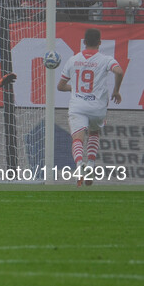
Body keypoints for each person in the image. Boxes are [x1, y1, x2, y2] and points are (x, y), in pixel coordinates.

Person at [57, 28, 123, 187]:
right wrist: (116, 91)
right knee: (94, 132)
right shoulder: (106, 59)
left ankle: (80, 165)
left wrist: (76, 88)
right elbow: (119, 72)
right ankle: (91, 166)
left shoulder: (73, 60)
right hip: (97, 107)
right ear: (100, 43)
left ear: (84, 42)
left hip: (78, 106)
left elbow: (60, 86)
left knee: (77, 139)